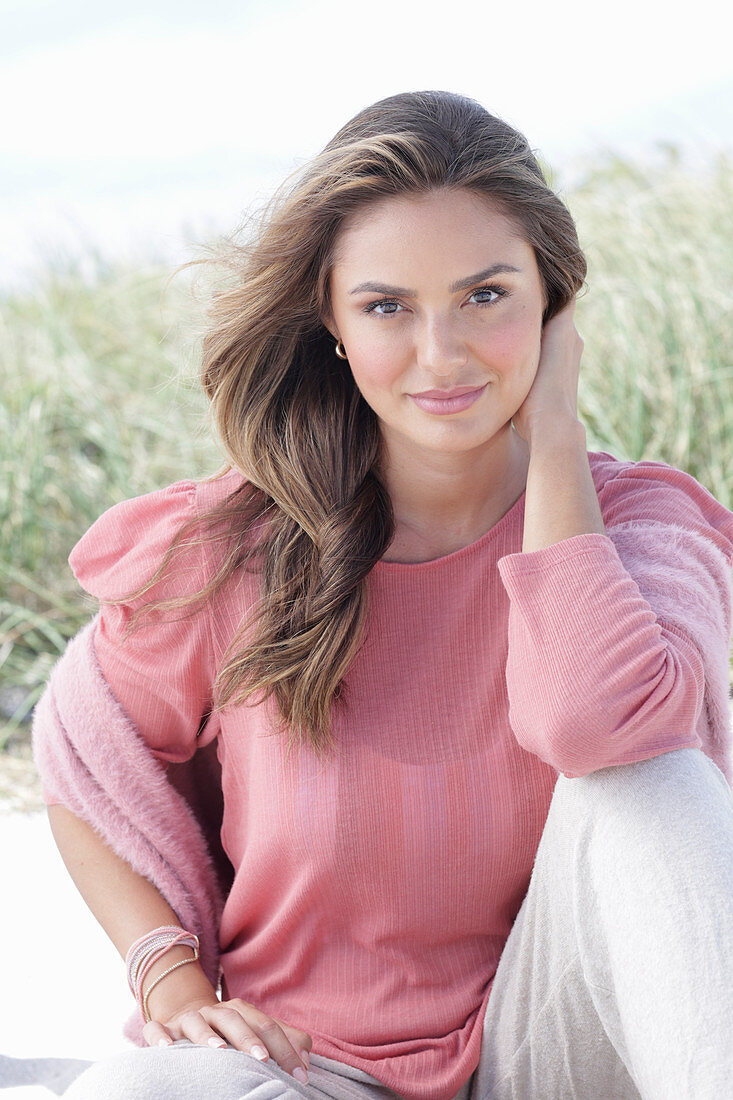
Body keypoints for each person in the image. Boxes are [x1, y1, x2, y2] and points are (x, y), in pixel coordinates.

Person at [32, 90, 733, 1100]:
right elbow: (87, 755)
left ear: (554, 300)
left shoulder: (643, 529)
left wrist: (558, 442)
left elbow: (591, 718)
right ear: (331, 319)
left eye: (486, 294)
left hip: (559, 1054)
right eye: (387, 306)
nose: (440, 354)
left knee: (649, 775)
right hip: (309, 1066)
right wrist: (169, 973)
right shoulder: (232, 550)